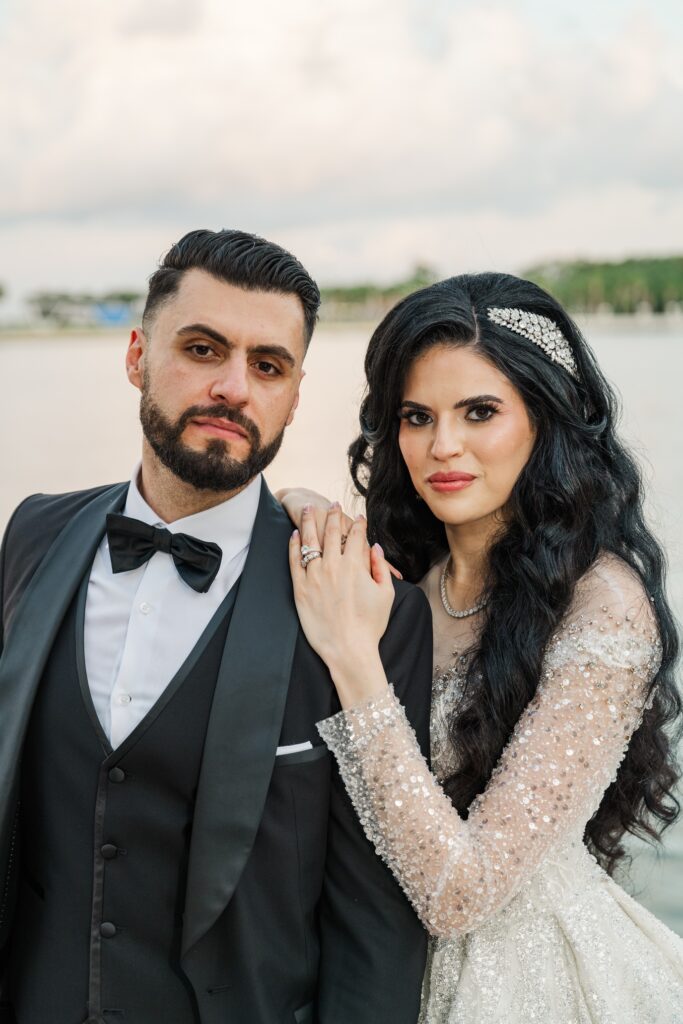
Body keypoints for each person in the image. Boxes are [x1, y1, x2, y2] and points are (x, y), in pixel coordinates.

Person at [0, 229, 433, 1024]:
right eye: (202, 349)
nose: (234, 387)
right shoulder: (32, 535)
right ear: (136, 356)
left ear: (295, 396)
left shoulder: (365, 602)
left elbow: (375, 922)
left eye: (267, 366)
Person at [282, 272, 683, 1023]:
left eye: (479, 412)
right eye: (415, 415)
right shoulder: (405, 573)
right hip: (381, 973)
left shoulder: (601, 605)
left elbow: (460, 892)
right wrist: (300, 511)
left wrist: (353, 659)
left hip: (536, 987)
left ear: (545, 418)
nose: (442, 446)